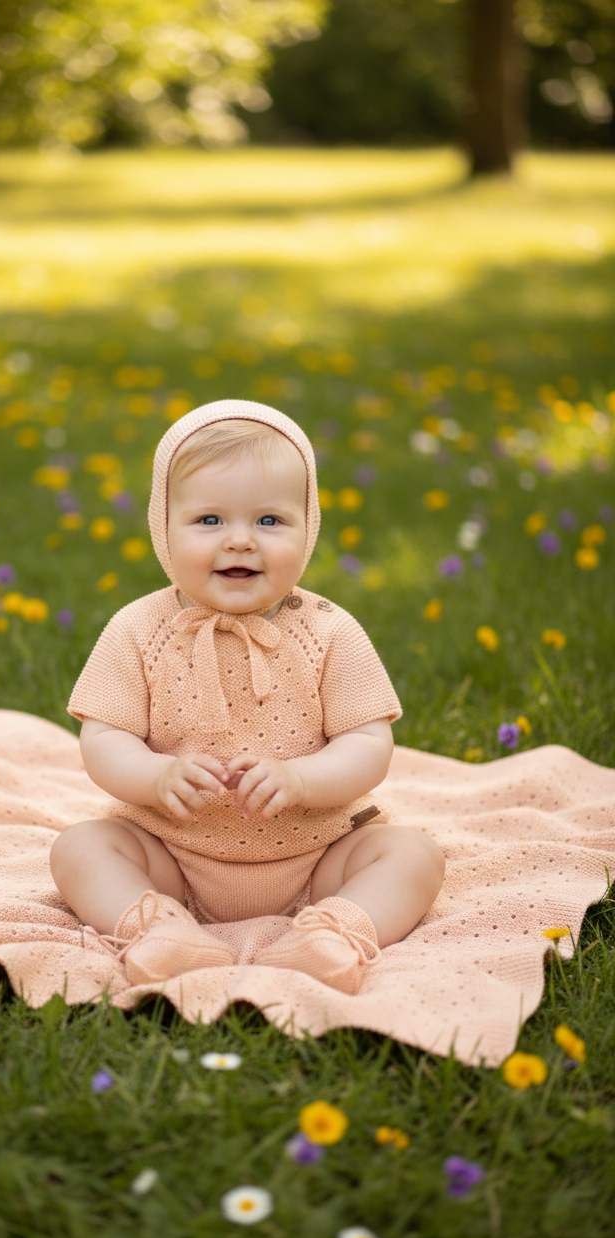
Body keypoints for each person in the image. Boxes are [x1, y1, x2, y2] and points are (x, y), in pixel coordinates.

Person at [50, 399, 445, 991]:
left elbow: (369, 742)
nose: (239, 542)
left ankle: (334, 934)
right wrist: (156, 777)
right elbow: (105, 737)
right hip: (172, 855)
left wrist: (303, 780)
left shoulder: (329, 629)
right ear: (164, 526)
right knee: (79, 849)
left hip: (318, 856)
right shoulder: (138, 628)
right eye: (209, 521)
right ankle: (158, 930)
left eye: (269, 521)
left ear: (307, 527)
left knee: (415, 855)